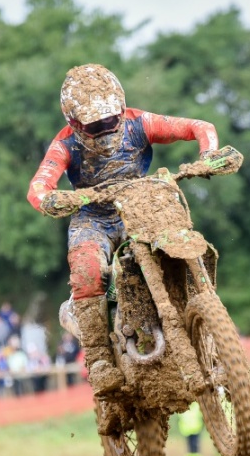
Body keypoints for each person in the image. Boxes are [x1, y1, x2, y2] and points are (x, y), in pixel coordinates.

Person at [27, 63, 223, 402]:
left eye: (110, 120)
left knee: (180, 238)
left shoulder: (140, 123)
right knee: (88, 270)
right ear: (74, 123)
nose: (105, 129)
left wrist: (208, 156)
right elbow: (38, 188)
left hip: (142, 206)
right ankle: (100, 359)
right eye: (95, 125)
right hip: (93, 217)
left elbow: (199, 127)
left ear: (121, 107)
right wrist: (54, 199)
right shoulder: (64, 145)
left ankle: (206, 314)